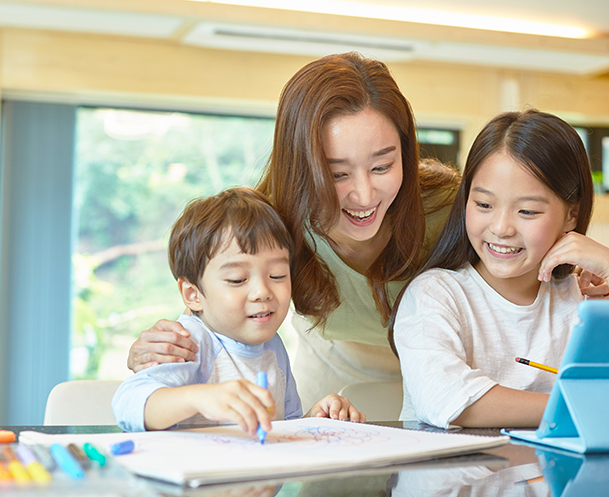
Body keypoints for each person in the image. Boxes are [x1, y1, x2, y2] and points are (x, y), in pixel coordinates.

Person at [126, 52, 460, 407]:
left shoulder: (453, 212)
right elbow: (216, 298)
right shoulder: (274, 219)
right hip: (332, 382)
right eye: (336, 174)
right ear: (300, 167)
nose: (363, 195)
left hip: (443, 374)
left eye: (382, 166)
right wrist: (157, 354)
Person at [390, 109, 609, 429]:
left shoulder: (584, 299)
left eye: (527, 211)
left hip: (556, 476)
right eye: (484, 205)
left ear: (571, 216)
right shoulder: (435, 294)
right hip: (450, 478)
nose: (502, 228)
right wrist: (581, 403)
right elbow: (445, 398)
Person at [112, 187, 364, 433]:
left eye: (277, 275)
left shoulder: (272, 347)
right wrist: (200, 397)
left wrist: (316, 417)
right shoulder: (192, 342)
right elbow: (127, 404)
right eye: (237, 279)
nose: (262, 291)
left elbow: (283, 428)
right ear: (193, 294)